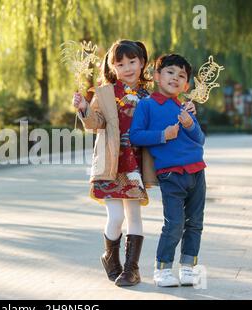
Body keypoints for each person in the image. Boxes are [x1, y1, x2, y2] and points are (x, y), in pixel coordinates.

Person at [73, 41, 196, 287]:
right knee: (116, 216)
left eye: (132, 62)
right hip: (111, 162)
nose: (127, 68)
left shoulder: (150, 97)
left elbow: (167, 118)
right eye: (121, 64)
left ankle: (131, 269)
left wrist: (188, 110)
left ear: (142, 63)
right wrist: (84, 108)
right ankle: (110, 255)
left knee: (134, 215)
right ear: (113, 67)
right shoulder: (105, 92)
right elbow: (96, 122)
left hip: (136, 164)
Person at [130, 54, 206, 287]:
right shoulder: (147, 105)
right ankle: (162, 268)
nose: (175, 78)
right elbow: (135, 135)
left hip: (197, 171)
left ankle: (188, 267)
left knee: (195, 222)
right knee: (174, 222)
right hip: (171, 173)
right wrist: (163, 135)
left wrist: (189, 123)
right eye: (170, 72)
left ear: (186, 85)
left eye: (181, 76)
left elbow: (200, 139)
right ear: (156, 76)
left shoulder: (185, 107)